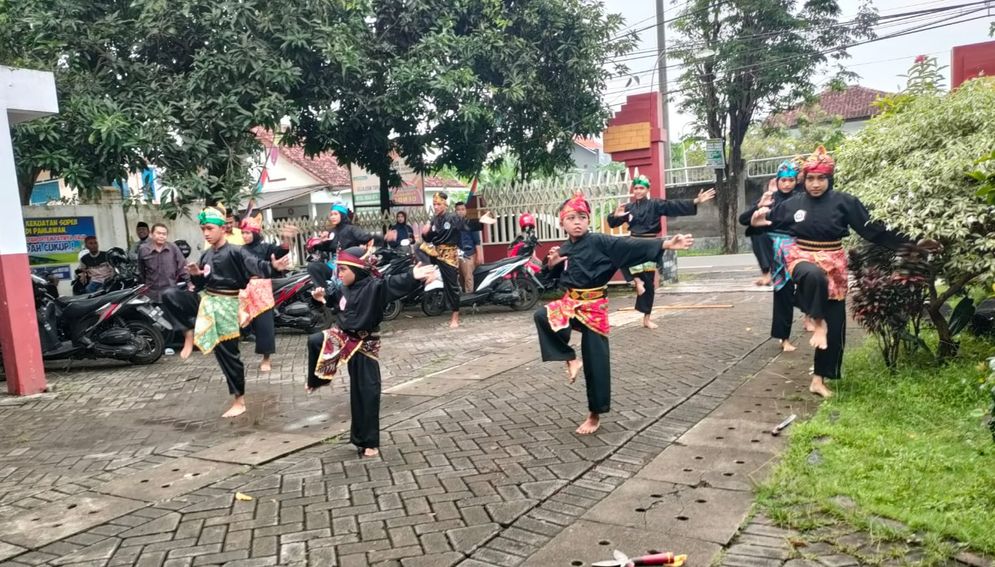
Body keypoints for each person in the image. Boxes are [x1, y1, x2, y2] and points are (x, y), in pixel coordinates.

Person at [750, 146, 935, 398]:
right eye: (811, 179)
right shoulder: (794, 203)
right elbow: (762, 221)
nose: (815, 184)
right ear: (804, 180)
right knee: (812, 276)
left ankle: (819, 379)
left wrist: (913, 244)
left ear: (829, 178)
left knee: (836, 328)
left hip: (834, 263)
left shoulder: (844, 202)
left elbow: (874, 231)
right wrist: (756, 219)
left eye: (821, 178)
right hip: (801, 257)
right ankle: (816, 322)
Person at [535, 190, 694, 434]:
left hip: (595, 308)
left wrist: (666, 243)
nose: (577, 222)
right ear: (562, 222)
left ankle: (594, 415)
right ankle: (570, 358)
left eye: (582, 217)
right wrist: (551, 264)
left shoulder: (601, 242)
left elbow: (629, 244)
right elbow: (548, 280)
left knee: (597, 362)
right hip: (571, 304)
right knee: (542, 316)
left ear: (588, 220)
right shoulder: (564, 248)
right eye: (571, 218)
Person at [160, 206, 291, 418]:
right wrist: (195, 275)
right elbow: (201, 284)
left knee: (228, 355)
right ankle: (187, 332)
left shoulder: (237, 251)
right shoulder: (206, 255)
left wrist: (273, 266)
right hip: (207, 300)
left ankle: (239, 400)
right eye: (203, 229)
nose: (206, 233)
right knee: (169, 295)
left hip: (228, 305)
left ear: (222, 229)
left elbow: (257, 265)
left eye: (210, 228)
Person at [306, 247, 436, 457]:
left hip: (365, 344)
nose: (339, 275)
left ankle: (368, 442)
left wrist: (413, 275)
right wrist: (319, 298)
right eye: (338, 271)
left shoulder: (374, 287)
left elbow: (392, 284)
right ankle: (318, 380)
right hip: (344, 338)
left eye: (343, 270)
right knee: (315, 341)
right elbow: (332, 301)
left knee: (366, 392)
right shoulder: (344, 288)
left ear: (356, 269)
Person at [606, 175, 715, 329]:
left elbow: (673, 206)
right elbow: (613, 223)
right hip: (634, 242)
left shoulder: (655, 204)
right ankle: (637, 281)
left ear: (647, 189)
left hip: (651, 244)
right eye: (636, 188)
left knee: (649, 285)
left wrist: (696, 201)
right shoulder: (629, 208)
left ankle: (646, 318)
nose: (638, 191)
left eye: (641, 188)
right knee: (618, 252)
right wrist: (614, 216)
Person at [739, 161, 802, 352]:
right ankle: (784, 339)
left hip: (798, 249)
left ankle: (810, 316)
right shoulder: (770, 198)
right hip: (775, 251)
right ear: (778, 180)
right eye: (784, 180)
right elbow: (743, 220)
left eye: (791, 180)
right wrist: (760, 205)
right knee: (783, 293)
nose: (787, 184)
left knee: (808, 287)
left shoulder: (802, 198)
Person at [419, 192, 492, 328]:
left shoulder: (452, 218)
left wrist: (481, 220)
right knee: (438, 280)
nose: (436, 207)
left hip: (449, 256)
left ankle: (455, 317)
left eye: (438, 204)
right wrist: (425, 233)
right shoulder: (434, 220)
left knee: (452, 285)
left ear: (445, 205)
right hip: (436, 254)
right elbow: (430, 239)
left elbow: (467, 224)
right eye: (434, 204)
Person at [239, 214, 294, 372]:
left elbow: (280, 252)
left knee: (265, 325)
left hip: (262, 289)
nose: (245, 236)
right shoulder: (239, 250)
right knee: (239, 323)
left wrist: (287, 239)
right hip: (243, 290)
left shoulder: (265, 247)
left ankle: (266, 359)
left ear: (255, 233)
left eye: (248, 232)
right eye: (243, 233)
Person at [307, 203, 385, 289]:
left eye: (335, 214)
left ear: (343, 215)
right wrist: (317, 244)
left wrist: (384, 238)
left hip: (349, 265)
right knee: (312, 266)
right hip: (334, 265)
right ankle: (323, 294)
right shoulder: (332, 231)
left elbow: (366, 238)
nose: (332, 217)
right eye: (331, 214)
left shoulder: (352, 229)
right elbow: (328, 247)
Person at [137, 223, 189, 303]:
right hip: (151, 293)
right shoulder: (143, 249)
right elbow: (141, 270)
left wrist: (189, 282)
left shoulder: (173, 248)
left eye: (164, 234)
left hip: (170, 292)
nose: (161, 236)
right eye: (158, 233)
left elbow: (182, 266)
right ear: (151, 234)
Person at [455, 201, 482, 294]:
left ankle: (470, 298)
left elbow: (477, 241)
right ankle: (464, 296)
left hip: (469, 254)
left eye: (462, 209)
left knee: (468, 277)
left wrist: (479, 256)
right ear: (455, 211)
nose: (460, 211)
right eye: (458, 210)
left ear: (466, 211)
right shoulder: (454, 225)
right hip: (457, 255)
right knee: (460, 277)